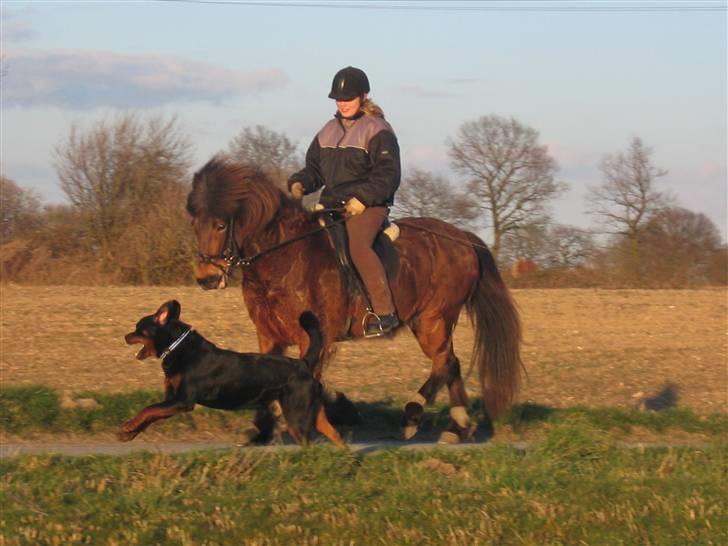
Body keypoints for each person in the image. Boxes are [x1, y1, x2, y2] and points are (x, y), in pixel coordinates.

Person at [288, 66, 401, 336]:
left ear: (363, 96)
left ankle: (385, 313)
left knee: (358, 247)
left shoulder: (378, 130)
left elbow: (389, 174)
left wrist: (363, 198)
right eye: (339, 99)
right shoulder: (327, 131)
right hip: (331, 205)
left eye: (348, 98)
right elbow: (315, 169)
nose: (343, 104)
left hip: (368, 206)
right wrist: (299, 182)